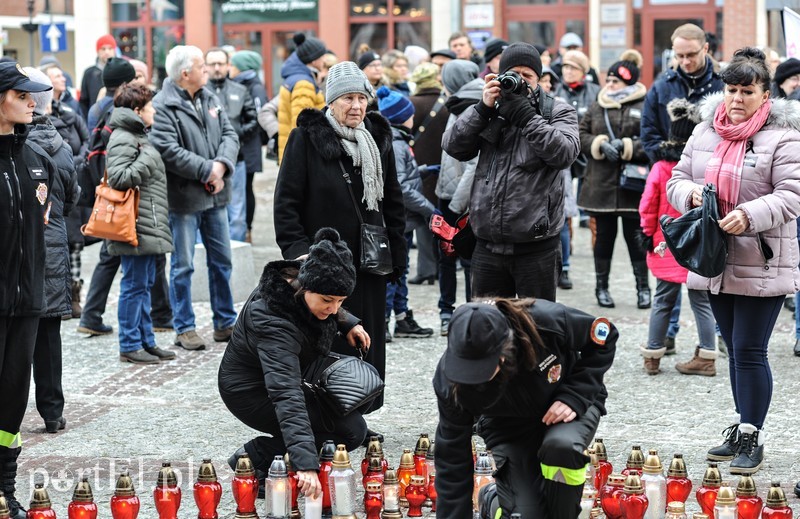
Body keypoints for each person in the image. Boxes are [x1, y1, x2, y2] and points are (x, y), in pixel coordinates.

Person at [667, 47, 800, 474]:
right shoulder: (706, 131)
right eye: (731, 89)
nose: (737, 98)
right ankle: (743, 428)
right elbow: (677, 177)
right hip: (714, 259)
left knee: (748, 350)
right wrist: (688, 194)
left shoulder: (784, 137)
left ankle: (752, 436)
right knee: (733, 350)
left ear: (766, 94)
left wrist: (749, 214)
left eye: (747, 90)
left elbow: (791, 195)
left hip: (762, 258)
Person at [273, 61, 407, 412]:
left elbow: (393, 201)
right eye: (348, 98)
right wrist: (299, 253)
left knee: (368, 342)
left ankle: (361, 414)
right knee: (329, 340)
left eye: (362, 98)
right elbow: (286, 201)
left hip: (369, 262)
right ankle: (330, 415)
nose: (357, 106)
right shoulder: (306, 138)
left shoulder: (377, 138)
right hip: (325, 265)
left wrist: (398, 254)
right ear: (331, 101)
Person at [220, 228, 370, 496]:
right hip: (250, 390)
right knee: (349, 433)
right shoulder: (272, 321)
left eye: (340, 301)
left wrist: (346, 322)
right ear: (306, 287)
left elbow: (328, 286)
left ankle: (288, 453)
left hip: (294, 371)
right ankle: (256, 456)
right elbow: (287, 394)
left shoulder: (303, 274)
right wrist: (306, 464)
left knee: (354, 426)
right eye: (327, 301)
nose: (333, 309)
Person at [433, 299, 617, 517]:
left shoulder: (544, 321)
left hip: (566, 407)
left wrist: (575, 395)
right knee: (527, 515)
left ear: (505, 349)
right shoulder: (450, 383)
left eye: (480, 369)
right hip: (508, 425)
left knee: (562, 447)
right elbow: (452, 461)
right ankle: (491, 498)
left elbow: (606, 334)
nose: (473, 379)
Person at [441, 42, 579, 302]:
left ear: (539, 79)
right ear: (499, 76)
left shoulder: (557, 111)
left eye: (527, 76)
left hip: (536, 245)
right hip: (487, 243)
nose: (521, 82)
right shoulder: (489, 109)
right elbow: (453, 146)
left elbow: (564, 154)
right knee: (487, 328)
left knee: (536, 331)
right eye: (514, 74)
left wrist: (527, 117)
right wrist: (482, 109)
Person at [150, 45, 240, 351]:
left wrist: (221, 167)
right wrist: (207, 171)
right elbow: (167, 150)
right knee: (183, 265)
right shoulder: (162, 105)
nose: (207, 71)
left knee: (222, 261)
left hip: (217, 196)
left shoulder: (209, 96)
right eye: (202, 66)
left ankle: (225, 323)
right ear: (185, 73)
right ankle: (184, 327)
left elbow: (230, 135)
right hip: (185, 200)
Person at [0, 60, 56, 519]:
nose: (32, 102)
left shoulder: (36, 161)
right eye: (21, 96)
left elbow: (43, 222)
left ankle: (3, 489)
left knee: (13, 403)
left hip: (27, 304)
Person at [638, 98, 716, 376]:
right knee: (702, 300)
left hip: (665, 242)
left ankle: (653, 354)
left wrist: (647, 234)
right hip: (697, 243)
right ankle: (707, 354)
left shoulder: (661, 168)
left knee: (662, 300)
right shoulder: (708, 165)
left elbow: (647, 205)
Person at [24, 67, 79, 435]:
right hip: (55, 242)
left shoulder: (19, 147)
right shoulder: (62, 147)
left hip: (28, 247)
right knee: (48, 337)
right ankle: (52, 412)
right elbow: (73, 196)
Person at [106, 83, 174, 364]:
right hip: (133, 225)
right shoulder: (124, 137)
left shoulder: (136, 135)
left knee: (144, 285)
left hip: (145, 223)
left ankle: (146, 341)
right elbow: (119, 177)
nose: (154, 110)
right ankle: (129, 344)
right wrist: (147, 156)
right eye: (149, 107)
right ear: (137, 110)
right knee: (134, 286)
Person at [578, 59, 650, 309]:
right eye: (607, 80)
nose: (609, 85)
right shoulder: (598, 105)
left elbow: (652, 139)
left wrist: (628, 147)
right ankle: (602, 288)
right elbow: (580, 133)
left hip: (633, 186)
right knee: (604, 239)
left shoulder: (644, 103)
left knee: (636, 241)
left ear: (628, 82)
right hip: (601, 185)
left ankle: (643, 288)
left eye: (615, 81)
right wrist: (599, 144)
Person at [377, 86, 435, 341]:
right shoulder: (397, 144)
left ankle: (401, 318)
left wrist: (422, 170)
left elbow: (403, 176)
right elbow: (400, 186)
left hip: (403, 221)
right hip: (398, 220)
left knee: (400, 268)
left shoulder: (397, 141)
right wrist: (429, 209)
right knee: (394, 272)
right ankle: (384, 321)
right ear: (403, 118)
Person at [436, 59, 482, 335]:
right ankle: (448, 310)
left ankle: (464, 313)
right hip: (449, 193)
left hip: (461, 201)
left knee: (464, 258)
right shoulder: (460, 102)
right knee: (446, 257)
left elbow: (474, 166)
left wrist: (454, 207)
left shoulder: (470, 105)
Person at [641, 24, 724, 163]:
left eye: (691, 55)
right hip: (669, 171)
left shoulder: (724, 85)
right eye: (680, 56)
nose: (685, 61)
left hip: (713, 170)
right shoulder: (660, 87)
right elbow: (648, 135)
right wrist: (671, 158)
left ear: (705, 48)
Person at [206, 47, 258, 243]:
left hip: (237, 159)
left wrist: (235, 136)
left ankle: (235, 253)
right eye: (213, 64)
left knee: (236, 212)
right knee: (209, 210)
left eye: (221, 63)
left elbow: (253, 119)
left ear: (228, 66)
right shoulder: (201, 92)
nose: (217, 68)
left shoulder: (240, 90)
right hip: (208, 161)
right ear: (206, 67)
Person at [408, 62, 447, 284]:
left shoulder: (411, 104)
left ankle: (426, 270)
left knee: (424, 222)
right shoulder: (446, 104)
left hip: (419, 171)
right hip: (443, 169)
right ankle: (443, 266)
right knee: (443, 221)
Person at [554, 49, 601, 234]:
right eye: (565, 67)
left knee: (589, 202)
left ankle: (589, 228)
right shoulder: (555, 90)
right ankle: (569, 241)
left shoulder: (595, 92)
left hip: (587, 152)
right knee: (563, 200)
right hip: (562, 150)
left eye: (573, 68)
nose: (568, 71)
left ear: (583, 71)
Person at [230, 50, 269, 243]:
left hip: (248, 147)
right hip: (242, 145)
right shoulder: (240, 84)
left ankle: (247, 229)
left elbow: (260, 117)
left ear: (242, 67)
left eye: (233, 65)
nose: (231, 68)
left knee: (245, 188)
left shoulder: (254, 87)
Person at [277, 33, 327, 164]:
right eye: (322, 56)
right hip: (301, 155)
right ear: (314, 59)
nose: (324, 60)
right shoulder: (303, 84)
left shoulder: (297, 78)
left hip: (294, 152)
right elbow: (303, 125)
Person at [87, 57, 136, 131]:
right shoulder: (124, 110)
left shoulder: (94, 109)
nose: (135, 84)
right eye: (133, 80)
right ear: (124, 85)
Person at [79, 34, 116, 120]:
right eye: (103, 49)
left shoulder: (121, 71)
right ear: (98, 51)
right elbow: (83, 102)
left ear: (114, 50)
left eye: (110, 48)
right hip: (95, 119)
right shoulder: (89, 73)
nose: (107, 52)